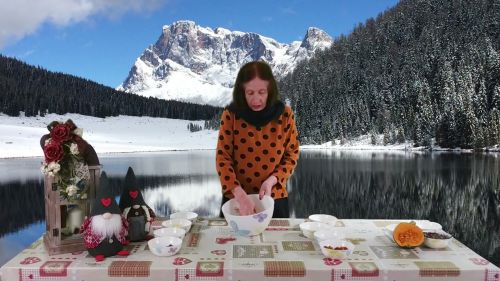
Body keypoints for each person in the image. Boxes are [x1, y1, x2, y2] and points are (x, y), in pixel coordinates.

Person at [216, 61, 300, 218]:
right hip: (237, 201)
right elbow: (223, 158)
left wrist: (273, 180)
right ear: (242, 92)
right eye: (250, 93)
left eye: (261, 92)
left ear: (270, 90)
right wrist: (238, 194)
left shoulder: (285, 114)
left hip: (275, 199)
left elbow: (292, 154)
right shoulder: (231, 115)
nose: (256, 100)